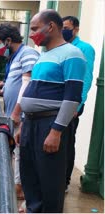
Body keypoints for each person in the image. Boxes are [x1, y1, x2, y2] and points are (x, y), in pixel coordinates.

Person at [16, 10, 86, 213]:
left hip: (49, 123)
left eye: (35, 29)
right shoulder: (44, 55)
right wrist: (23, 122)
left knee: (49, 181)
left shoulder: (72, 54)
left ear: (52, 27)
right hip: (31, 123)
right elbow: (33, 88)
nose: (32, 34)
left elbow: (72, 97)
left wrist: (56, 131)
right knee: (29, 175)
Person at [0, 24, 40, 201]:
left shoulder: (28, 54)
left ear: (8, 41)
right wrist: (0, 91)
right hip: (14, 114)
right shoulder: (13, 58)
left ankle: (20, 190)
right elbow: (15, 84)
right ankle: (18, 188)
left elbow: (28, 84)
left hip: (22, 116)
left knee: (21, 154)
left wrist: (17, 113)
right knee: (17, 152)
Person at [62, 15, 95, 193]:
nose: (63, 30)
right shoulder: (62, 47)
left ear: (76, 29)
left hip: (73, 104)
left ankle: (65, 181)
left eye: (66, 27)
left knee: (67, 142)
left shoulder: (84, 48)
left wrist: (77, 104)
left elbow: (86, 78)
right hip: (59, 103)